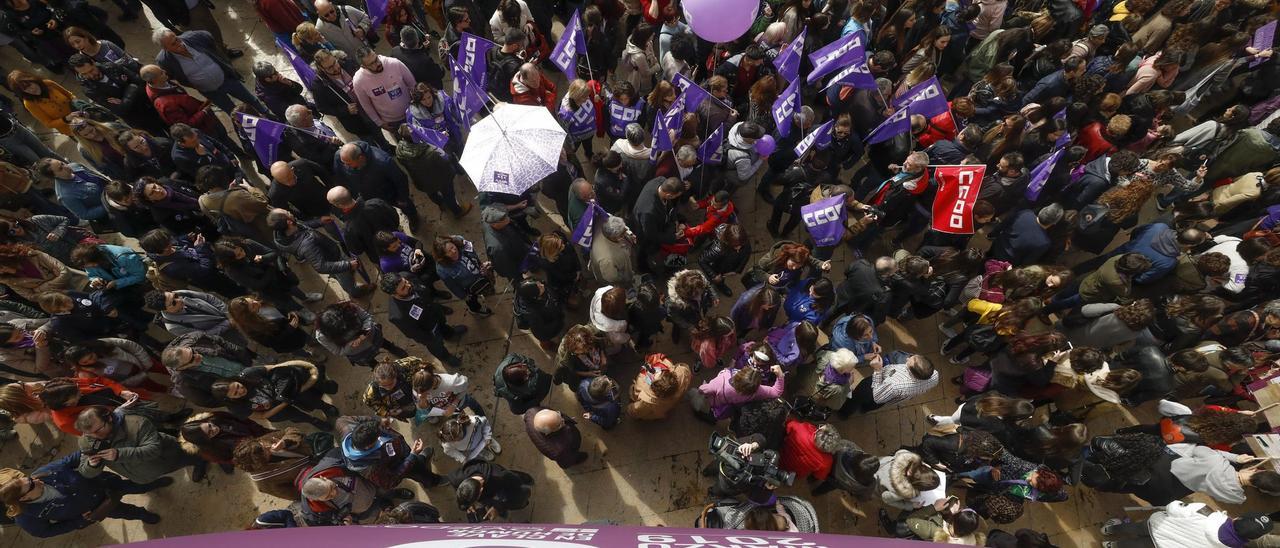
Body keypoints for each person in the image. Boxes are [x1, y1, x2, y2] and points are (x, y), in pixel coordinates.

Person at [0, 453, 167, 537]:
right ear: (23, 498)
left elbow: (70, 459)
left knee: (135, 486)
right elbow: (44, 532)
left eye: (28, 478)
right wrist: (78, 522)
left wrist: (89, 456)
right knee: (125, 512)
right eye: (31, 485)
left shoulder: (42, 474)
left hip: (105, 483)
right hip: (101, 507)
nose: (37, 480)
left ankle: (153, 484)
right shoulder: (26, 517)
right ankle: (142, 514)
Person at [75, 406, 208, 484]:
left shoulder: (136, 423)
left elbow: (153, 449)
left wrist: (119, 454)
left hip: (169, 456)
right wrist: (92, 465)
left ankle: (201, 462)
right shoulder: (87, 441)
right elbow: (85, 472)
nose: (95, 436)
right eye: (89, 434)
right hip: (148, 471)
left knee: (192, 456)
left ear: (109, 418)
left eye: (98, 430)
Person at [152, 29, 267, 115]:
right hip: (210, 92)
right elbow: (171, 75)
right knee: (233, 112)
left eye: (176, 38)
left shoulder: (194, 37)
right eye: (173, 43)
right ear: (165, 48)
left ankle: (267, 114)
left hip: (227, 80)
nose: (178, 43)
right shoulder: (164, 61)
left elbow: (208, 37)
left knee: (251, 100)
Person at [379, 272, 467, 368]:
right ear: (394, 294)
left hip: (436, 313)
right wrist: (430, 340)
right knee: (437, 346)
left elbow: (423, 289)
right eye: (403, 288)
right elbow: (413, 333)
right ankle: (445, 357)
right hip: (429, 332)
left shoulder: (407, 276)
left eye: (405, 282)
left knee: (444, 326)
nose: (408, 285)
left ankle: (450, 333)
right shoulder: (398, 315)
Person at [523, 407, 588, 468]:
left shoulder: (531, 412)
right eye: (561, 423)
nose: (563, 419)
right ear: (548, 433)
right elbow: (565, 462)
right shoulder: (559, 450)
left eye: (558, 414)